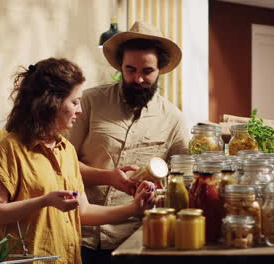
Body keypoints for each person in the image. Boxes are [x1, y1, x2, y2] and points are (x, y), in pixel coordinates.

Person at [0, 57, 155, 264]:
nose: (80, 110)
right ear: (51, 103)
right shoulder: (10, 148)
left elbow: (83, 211)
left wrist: (134, 208)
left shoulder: (66, 150)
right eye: (75, 102)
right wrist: (45, 201)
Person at [68, 21, 190, 264]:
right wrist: (108, 177)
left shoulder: (174, 119)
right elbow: (63, 164)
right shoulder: (89, 102)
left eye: (147, 71)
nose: (138, 78)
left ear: (161, 69)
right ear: (121, 67)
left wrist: (160, 193)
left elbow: (182, 182)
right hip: (83, 235)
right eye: (130, 69)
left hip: (140, 238)